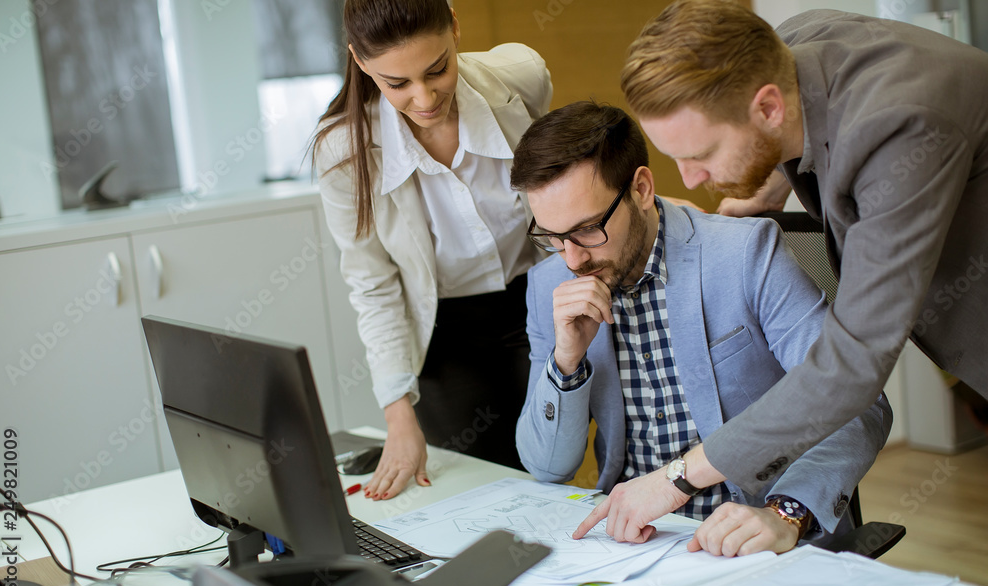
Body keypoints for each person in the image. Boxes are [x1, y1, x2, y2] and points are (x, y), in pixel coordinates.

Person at [609, 0, 988, 531]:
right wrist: (764, 184)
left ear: (767, 108)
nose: (690, 179)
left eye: (702, 154)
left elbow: (851, 365)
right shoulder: (793, 47)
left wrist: (678, 477)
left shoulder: (902, 125)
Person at [510, 102, 891, 553]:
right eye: (552, 238)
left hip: (751, 530)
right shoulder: (549, 286)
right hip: (632, 542)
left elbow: (858, 402)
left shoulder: (744, 254)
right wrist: (566, 362)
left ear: (641, 189)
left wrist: (784, 512)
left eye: (589, 229)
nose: (572, 259)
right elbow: (547, 467)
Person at [312, 0, 552, 500]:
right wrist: (397, 414)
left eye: (437, 69)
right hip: (445, 331)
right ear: (359, 61)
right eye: (397, 83)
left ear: (455, 29)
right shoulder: (343, 153)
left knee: (554, 468)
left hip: (539, 299)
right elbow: (373, 285)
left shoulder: (522, 77)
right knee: (483, 484)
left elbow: (562, 185)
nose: (424, 98)